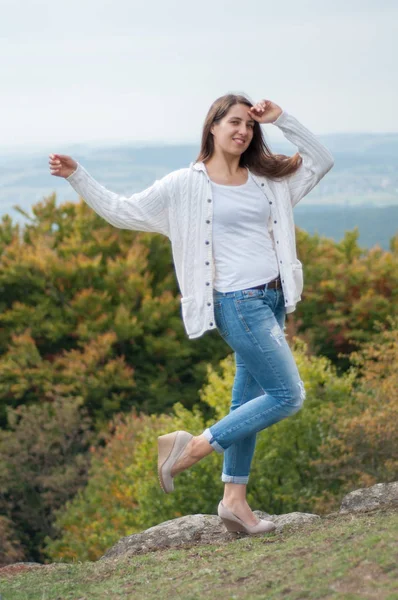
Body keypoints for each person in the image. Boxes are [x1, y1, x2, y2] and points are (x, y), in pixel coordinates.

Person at [49, 94, 334, 535]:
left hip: (273, 298)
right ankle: (190, 448)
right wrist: (77, 176)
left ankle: (234, 502)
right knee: (287, 395)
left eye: (250, 125)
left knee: (246, 403)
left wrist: (283, 120)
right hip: (238, 305)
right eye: (234, 122)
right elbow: (123, 212)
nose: (243, 131)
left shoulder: (267, 179)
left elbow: (321, 160)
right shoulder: (184, 186)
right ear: (213, 126)